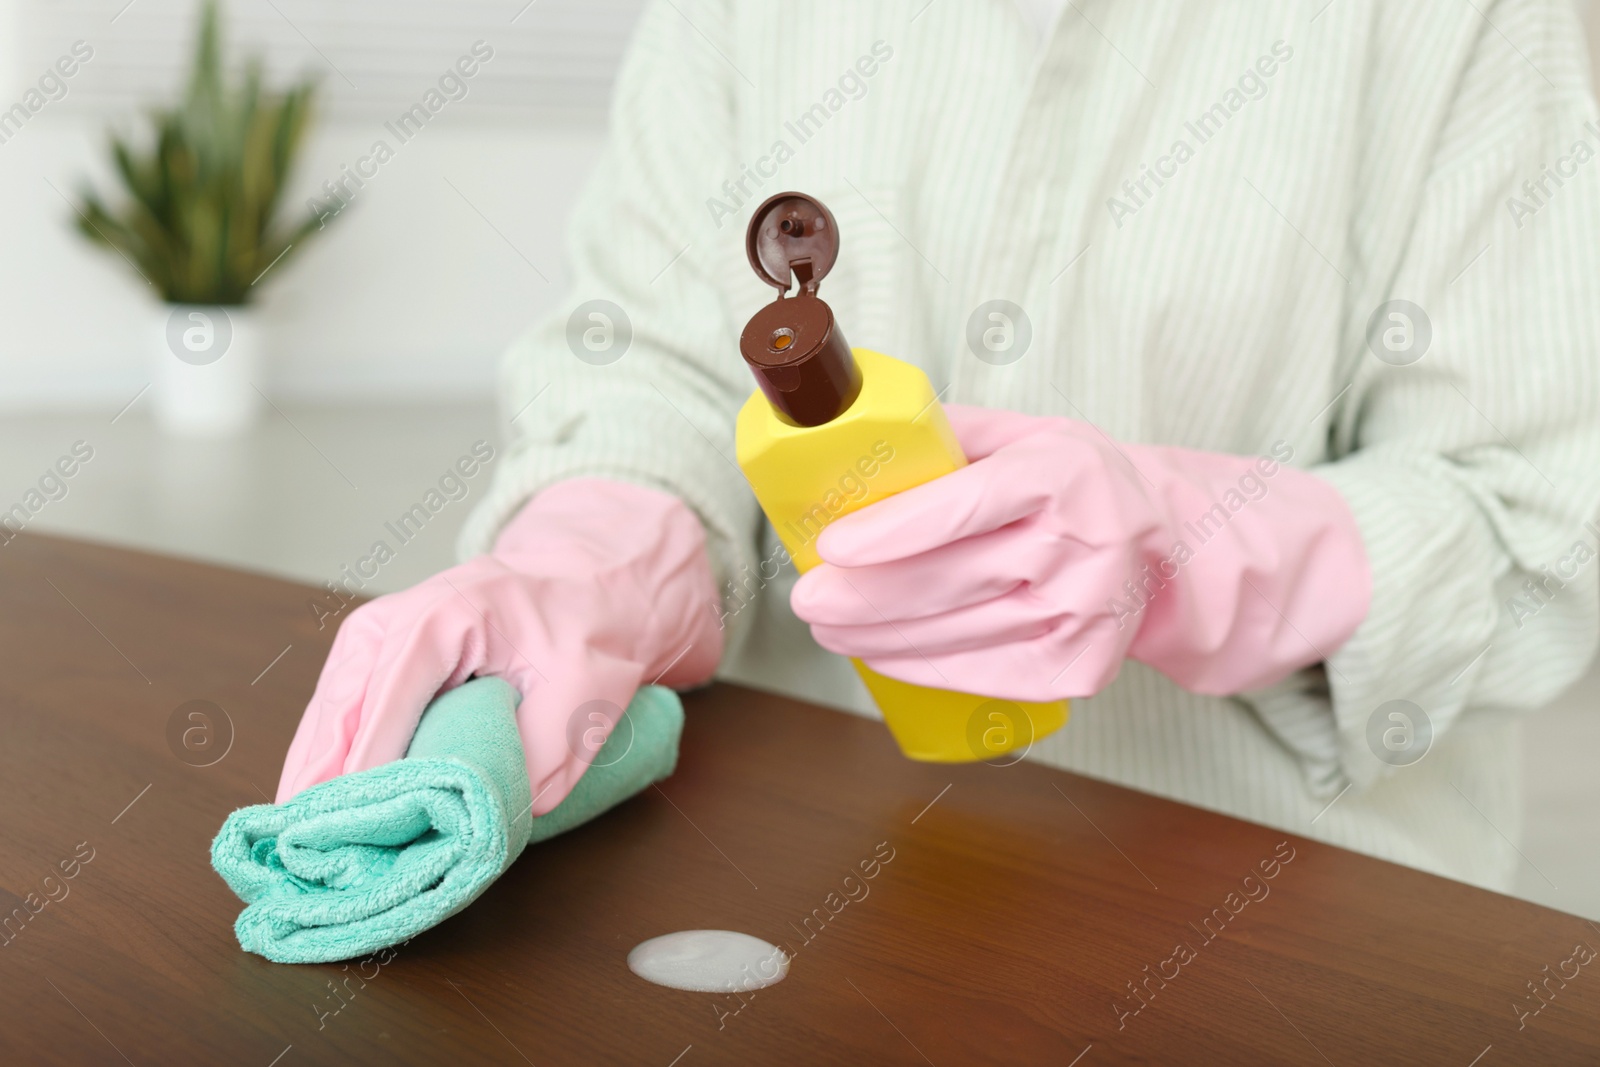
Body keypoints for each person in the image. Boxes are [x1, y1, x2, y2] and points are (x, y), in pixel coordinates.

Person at [278, 0, 1600, 892]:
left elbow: (1537, 525)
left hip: (1282, 920)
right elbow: (664, 364)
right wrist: (592, 560)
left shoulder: (1467, 28)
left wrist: (1198, 551)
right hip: (801, 883)